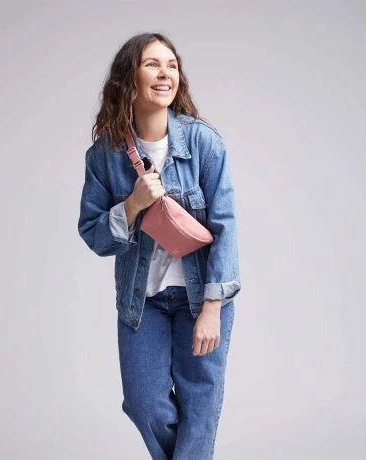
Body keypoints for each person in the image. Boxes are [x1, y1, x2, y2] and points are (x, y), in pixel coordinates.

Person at [78, 32, 241, 460]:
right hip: (142, 302)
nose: (165, 73)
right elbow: (94, 233)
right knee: (143, 403)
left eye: (172, 65)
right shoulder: (105, 156)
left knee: (199, 406)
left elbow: (225, 228)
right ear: (128, 77)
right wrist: (132, 205)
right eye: (152, 64)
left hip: (200, 299)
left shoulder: (204, 144)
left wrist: (212, 309)